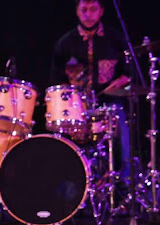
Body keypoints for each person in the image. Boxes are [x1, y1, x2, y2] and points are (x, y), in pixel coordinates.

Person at [50, 0, 132, 178]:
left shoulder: (116, 39)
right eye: (84, 10)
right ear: (77, 12)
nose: (88, 14)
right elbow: (56, 80)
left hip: (109, 103)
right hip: (76, 107)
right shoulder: (65, 43)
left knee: (120, 128)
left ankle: (121, 185)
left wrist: (118, 83)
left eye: (93, 9)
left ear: (101, 11)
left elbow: (128, 73)